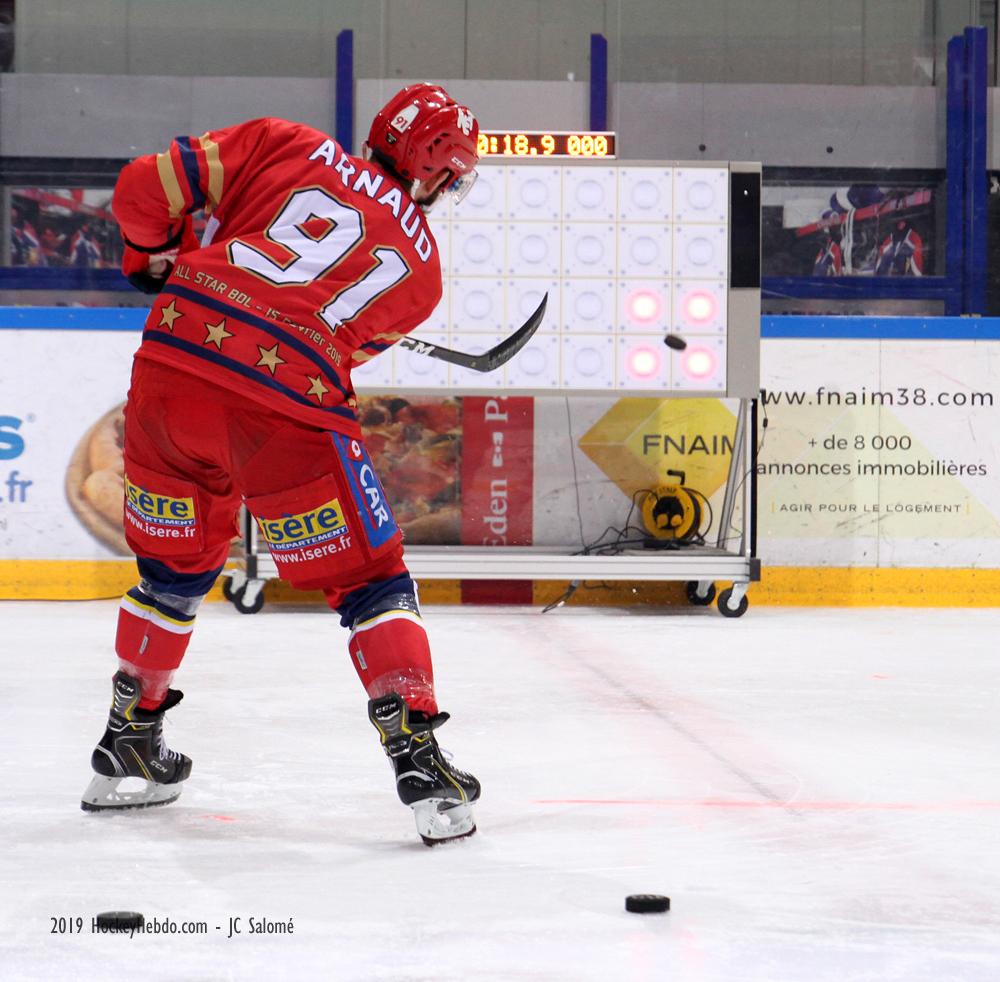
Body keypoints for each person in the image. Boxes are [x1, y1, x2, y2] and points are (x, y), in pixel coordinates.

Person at [81, 83, 483, 846]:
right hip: (284, 401)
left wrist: (148, 258)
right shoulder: (424, 274)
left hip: (170, 369)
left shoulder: (284, 141)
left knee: (171, 574)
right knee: (371, 582)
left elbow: (139, 188)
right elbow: (342, 353)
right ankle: (421, 762)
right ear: (435, 171)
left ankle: (128, 742)